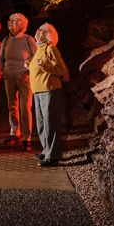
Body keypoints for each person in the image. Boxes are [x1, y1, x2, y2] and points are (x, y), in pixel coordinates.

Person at [29, 23, 69, 167]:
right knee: (41, 124)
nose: (37, 31)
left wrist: (45, 67)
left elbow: (61, 70)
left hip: (49, 90)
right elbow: (39, 66)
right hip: (38, 91)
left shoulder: (50, 48)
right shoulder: (38, 49)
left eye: (41, 30)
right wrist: (30, 65)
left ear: (47, 34)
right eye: (38, 29)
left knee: (50, 123)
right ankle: (46, 150)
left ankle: (53, 156)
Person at [0, 12, 37, 151]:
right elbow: (0, 58)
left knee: (25, 108)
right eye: (9, 21)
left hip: (24, 77)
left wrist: (28, 70)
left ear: (21, 24)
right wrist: (1, 70)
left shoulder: (28, 40)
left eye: (13, 21)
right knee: (12, 106)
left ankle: (27, 138)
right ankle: (15, 132)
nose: (10, 23)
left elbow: (36, 58)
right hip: (9, 77)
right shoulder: (6, 40)